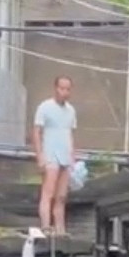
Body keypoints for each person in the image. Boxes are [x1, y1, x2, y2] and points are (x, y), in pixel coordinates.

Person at [32, 76, 77, 234]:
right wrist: (40, 155)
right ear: (55, 88)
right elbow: (36, 132)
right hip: (50, 154)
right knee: (48, 193)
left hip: (65, 156)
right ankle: (45, 226)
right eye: (62, 88)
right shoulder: (45, 107)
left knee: (61, 196)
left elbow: (70, 134)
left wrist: (72, 157)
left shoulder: (71, 111)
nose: (64, 92)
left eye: (67, 89)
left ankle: (60, 228)